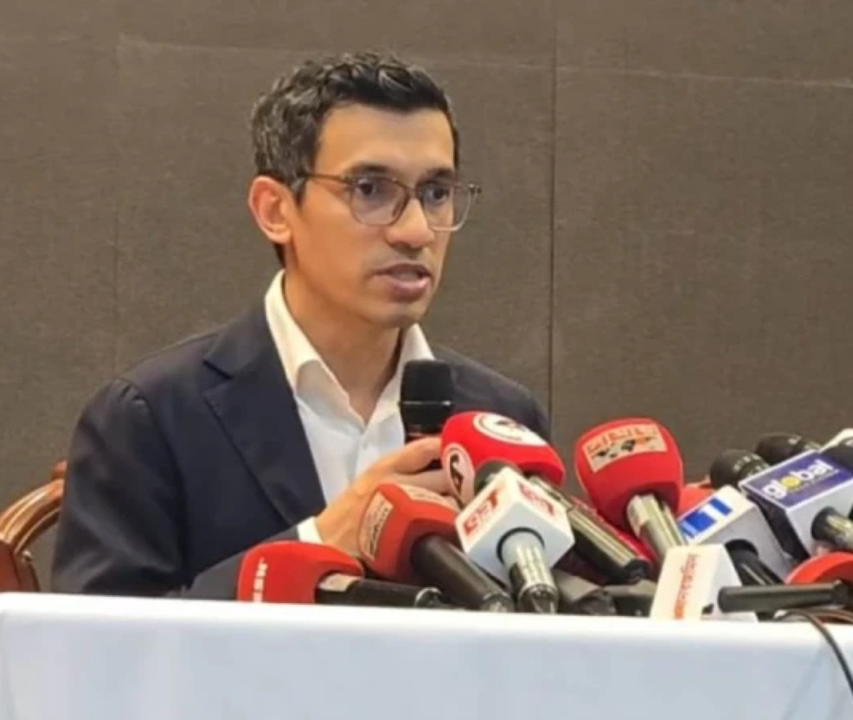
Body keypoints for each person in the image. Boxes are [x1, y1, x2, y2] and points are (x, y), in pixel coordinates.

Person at [51, 53, 548, 598]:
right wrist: (320, 540)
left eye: (436, 194)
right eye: (370, 190)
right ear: (275, 210)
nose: (416, 231)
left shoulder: (502, 418)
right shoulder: (152, 416)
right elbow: (98, 640)